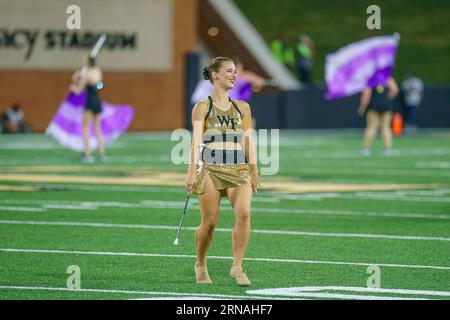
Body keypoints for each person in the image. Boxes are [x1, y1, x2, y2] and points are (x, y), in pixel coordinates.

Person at [185, 57, 261, 286]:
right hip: (210, 168)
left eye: (235, 71)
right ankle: (200, 263)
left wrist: (254, 170)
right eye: (229, 71)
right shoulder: (202, 107)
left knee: (244, 213)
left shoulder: (243, 107)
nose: (234, 75)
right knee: (209, 223)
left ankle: (237, 267)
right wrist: (190, 172)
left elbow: (248, 141)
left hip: (238, 167)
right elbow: (196, 142)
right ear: (215, 74)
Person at [69, 55, 105, 163]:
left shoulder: (86, 73)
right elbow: (100, 85)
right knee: (98, 129)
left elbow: (79, 89)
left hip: (89, 100)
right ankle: (102, 154)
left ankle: (88, 154)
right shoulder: (98, 71)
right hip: (97, 99)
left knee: (85, 128)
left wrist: (73, 88)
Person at [358, 76, 399, 156]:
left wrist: (363, 107)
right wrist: (387, 98)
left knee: (371, 126)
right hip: (386, 105)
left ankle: (366, 149)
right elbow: (395, 89)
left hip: (374, 105)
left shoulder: (370, 79)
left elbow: (367, 93)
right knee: (386, 127)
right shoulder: (386, 77)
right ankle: (388, 149)